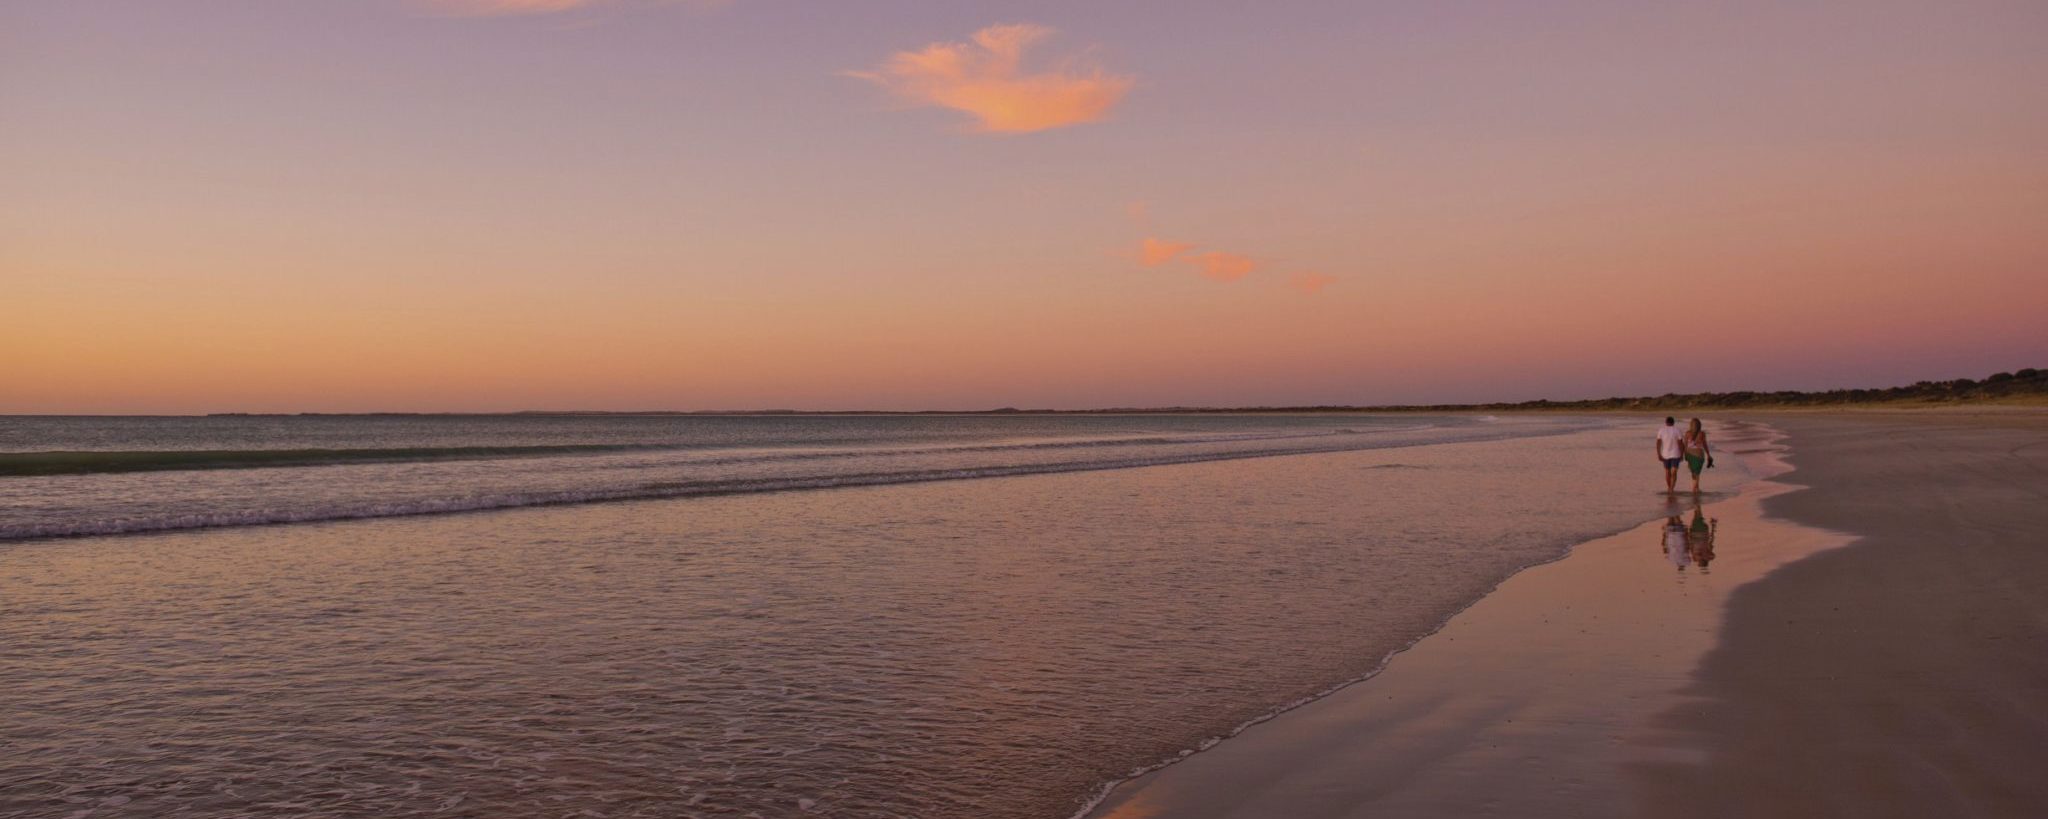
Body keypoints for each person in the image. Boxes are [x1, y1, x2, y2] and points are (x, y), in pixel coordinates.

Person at [1681, 418, 1713, 494]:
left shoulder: (1688, 433)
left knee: (1694, 473)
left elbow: (1685, 445)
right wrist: (1708, 454)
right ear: (1699, 425)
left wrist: (1684, 455)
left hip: (1689, 454)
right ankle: (1694, 490)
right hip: (1699, 455)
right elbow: (1705, 444)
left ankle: (1696, 488)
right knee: (1697, 473)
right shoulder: (1702, 433)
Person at [1655, 417, 1685, 493]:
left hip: (1665, 454)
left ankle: (1670, 488)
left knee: (1667, 472)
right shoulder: (1677, 430)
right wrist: (1682, 454)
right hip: (1676, 454)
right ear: (1673, 422)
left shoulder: (1661, 430)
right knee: (1674, 472)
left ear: (1666, 422)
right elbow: (1681, 443)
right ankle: (1671, 488)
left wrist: (1658, 454)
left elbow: (1658, 443)